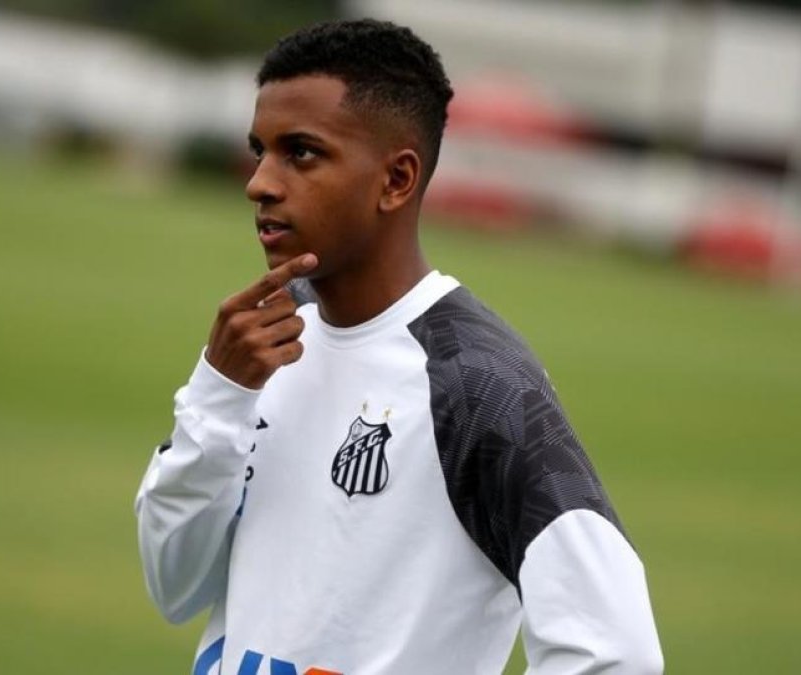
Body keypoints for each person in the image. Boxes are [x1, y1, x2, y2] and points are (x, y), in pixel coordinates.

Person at [135, 19, 663, 675]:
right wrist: (219, 396)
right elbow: (173, 582)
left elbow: (616, 651)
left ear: (396, 179)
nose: (260, 182)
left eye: (300, 152)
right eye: (260, 149)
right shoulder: (261, 339)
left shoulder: (477, 384)